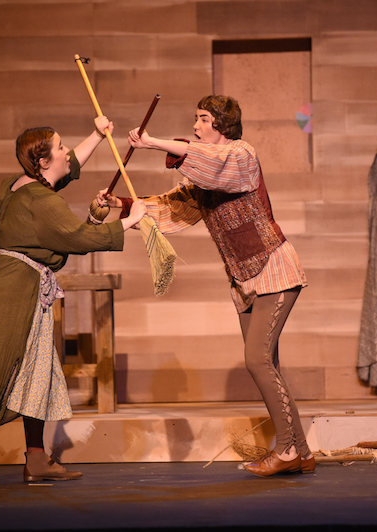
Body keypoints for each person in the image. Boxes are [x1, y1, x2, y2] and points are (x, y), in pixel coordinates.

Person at [97, 95, 314, 477]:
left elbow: (217, 164)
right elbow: (171, 207)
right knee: (268, 364)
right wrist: (120, 203)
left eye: (202, 119)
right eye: (196, 119)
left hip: (273, 268)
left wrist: (152, 143)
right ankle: (302, 452)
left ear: (221, 124)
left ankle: (285, 450)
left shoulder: (242, 155)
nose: (196, 126)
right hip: (243, 278)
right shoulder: (203, 178)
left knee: (257, 360)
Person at [0, 116, 147, 489]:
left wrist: (97, 135)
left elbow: (64, 171)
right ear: (44, 161)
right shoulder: (43, 201)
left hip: (17, 288)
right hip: (8, 294)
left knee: (37, 370)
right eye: (61, 147)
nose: (68, 153)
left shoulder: (14, 186)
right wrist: (129, 221)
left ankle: (36, 458)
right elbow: (78, 238)